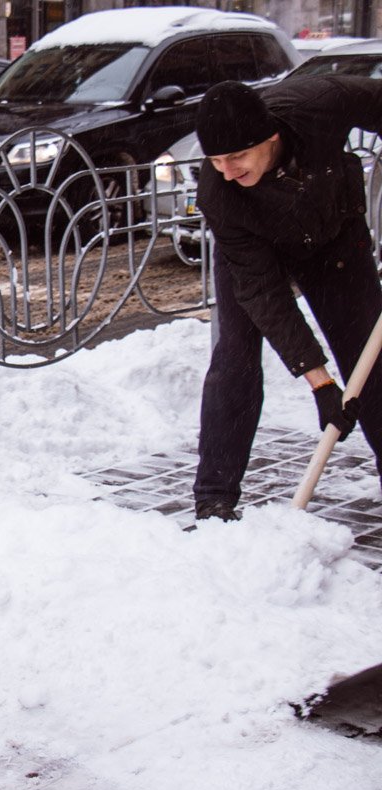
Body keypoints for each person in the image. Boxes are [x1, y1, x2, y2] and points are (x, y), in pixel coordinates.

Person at [191, 77, 382, 521]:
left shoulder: (319, 103)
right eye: (216, 160)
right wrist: (321, 384)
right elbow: (264, 294)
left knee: (369, 356)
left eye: (237, 156)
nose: (227, 171)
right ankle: (214, 496)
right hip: (255, 251)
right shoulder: (221, 193)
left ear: (271, 138)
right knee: (236, 358)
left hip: (333, 236)